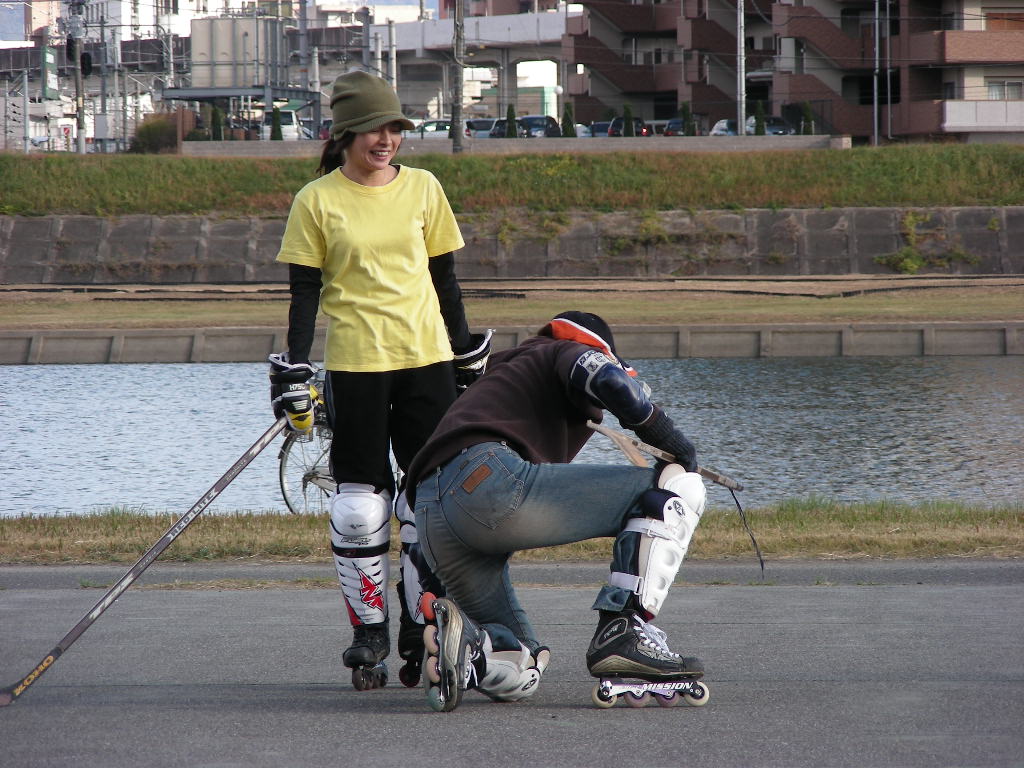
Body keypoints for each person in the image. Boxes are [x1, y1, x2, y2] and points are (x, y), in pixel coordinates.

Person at [268, 70, 490, 691]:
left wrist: (465, 348)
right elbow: (304, 292)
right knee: (361, 505)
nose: (386, 139)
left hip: (427, 361)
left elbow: (444, 278)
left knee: (428, 502)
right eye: (374, 129)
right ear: (346, 135)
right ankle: (369, 631)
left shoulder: (424, 188)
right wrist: (294, 363)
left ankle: (425, 624)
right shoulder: (317, 200)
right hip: (357, 365)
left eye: (394, 128)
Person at [407, 311, 708, 711]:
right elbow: (606, 379)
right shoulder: (563, 349)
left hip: (430, 514)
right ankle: (624, 632)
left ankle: (474, 651)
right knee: (677, 486)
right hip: (486, 482)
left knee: (525, 664)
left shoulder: (505, 368)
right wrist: (667, 435)